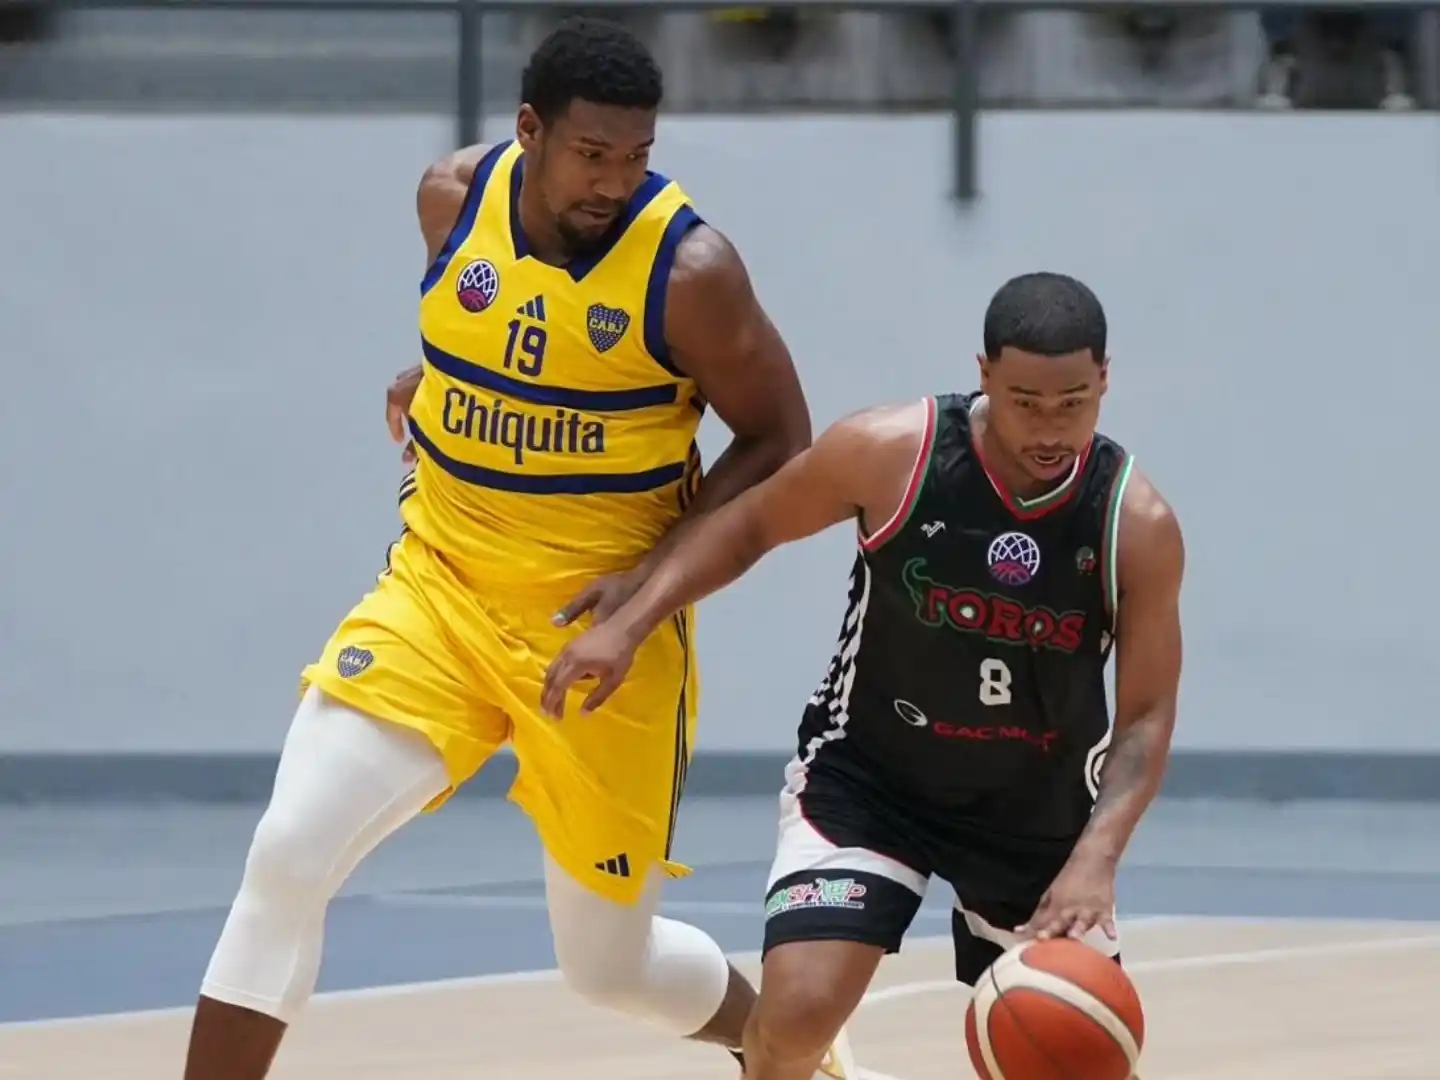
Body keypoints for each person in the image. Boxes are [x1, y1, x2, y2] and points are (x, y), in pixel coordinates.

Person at [180, 17, 859, 1080]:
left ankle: (794, 1047)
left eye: (637, 155)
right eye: (593, 154)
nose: (615, 180)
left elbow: (781, 438)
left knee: (609, 968)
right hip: (441, 593)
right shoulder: (448, 201)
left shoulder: (689, 271)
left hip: (599, 636)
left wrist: (645, 590)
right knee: (287, 854)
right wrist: (437, 383)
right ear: (529, 131)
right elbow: (490, 333)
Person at [542, 272, 1185, 1080]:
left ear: (1104, 380)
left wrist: (1097, 858)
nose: (1050, 426)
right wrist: (630, 623)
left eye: (1073, 402)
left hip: (1040, 812)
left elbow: (1146, 716)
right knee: (793, 1020)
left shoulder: (1136, 523)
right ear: (983, 374)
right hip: (874, 779)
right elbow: (747, 525)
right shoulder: (892, 453)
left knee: (1072, 1055)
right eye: (1026, 401)